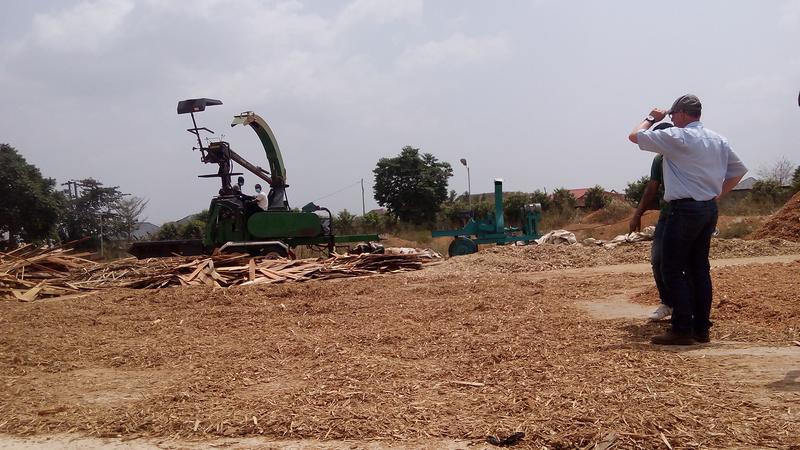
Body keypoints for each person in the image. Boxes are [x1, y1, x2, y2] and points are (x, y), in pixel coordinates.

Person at [628, 94, 747, 345]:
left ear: (682, 113)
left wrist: (651, 118)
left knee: (670, 268)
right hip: (707, 210)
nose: (671, 119)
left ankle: (682, 328)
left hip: (683, 210)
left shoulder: (678, 137)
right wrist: (716, 195)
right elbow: (738, 171)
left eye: (672, 115)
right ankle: (701, 329)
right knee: (699, 269)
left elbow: (634, 136)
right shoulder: (718, 139)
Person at [629, 122, 674, 322]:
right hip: (667, 214)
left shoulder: (686, 154)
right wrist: (637, 214)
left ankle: (689, 308)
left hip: (689, 213)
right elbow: (651, 189)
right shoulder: (659, 160)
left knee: (688, 263)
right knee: (658, 260)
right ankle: (667, 302)